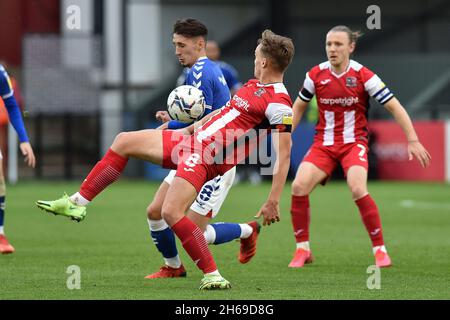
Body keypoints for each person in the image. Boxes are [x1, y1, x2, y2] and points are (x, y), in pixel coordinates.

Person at [36, 29, 295, 290]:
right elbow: (220, 115)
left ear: (263, 61)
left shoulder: (280, 104)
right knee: (124, 141)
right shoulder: (253, 86)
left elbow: (284, 152)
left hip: (207, 155)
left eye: (255, 56)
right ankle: (77, 202)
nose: (253, 61)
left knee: (171, 213)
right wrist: (183, 130)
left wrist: (273, 200)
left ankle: (213, 274)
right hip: (192, 142)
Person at [289, 25, 431, 268]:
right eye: (329, 44)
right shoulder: (315, 75)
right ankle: (303, 250)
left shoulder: (364, 76)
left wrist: (413, 140)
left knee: (357, 188)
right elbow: (299, 106)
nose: (332, 49)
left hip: (354, 143)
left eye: (338, 44)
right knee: (298, 186)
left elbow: (395, 107)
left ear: (351, 47)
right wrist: (285, 134)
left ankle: (380, 250)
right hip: (323, 144)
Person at [145, 19, 260, 280]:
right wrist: (173, 120)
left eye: (181, 45)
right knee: (156, 211)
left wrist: (169, 126)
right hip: (194, 155)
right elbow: (202, 116)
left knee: (193, 233)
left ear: (199, 44)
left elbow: (205, 122)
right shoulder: (198, 70)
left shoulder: (203, 72)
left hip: (214, 162)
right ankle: (173, 267)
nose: (176, 51)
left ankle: (247, 230)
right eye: (175, 45)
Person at [0, 63, 36, 254]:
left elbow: (12, 104)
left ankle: (0, 235)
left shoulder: (0, 73)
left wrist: (23, 139)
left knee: (0, 183)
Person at [176, 40, 242, 96]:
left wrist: (222, 96)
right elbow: (179, 89)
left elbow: (237, 89)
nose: (211, 53)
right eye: (208, 50)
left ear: (218, 52)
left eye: (214, 50)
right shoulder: (190, 69)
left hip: (221, 107)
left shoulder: (226, 69)